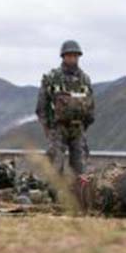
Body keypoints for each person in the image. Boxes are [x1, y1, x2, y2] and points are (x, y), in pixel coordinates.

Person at [36, 40, 96, 175]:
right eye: (69, 55)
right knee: (55, 169)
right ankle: (55, 195)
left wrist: (83, 126)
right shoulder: (52, 78)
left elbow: (91, 106)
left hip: (78, 129)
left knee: (81, 171)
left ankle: (79, 196)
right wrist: (49, 128)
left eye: (75, 56)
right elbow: (41, 107)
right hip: (58, 129)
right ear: (63, 56)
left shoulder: (85, 79)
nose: (72, 58)